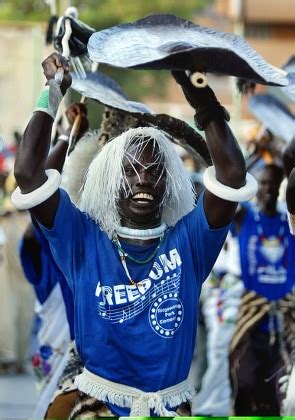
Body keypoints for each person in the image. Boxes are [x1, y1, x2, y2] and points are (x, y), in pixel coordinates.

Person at [12, 52, 256, 417]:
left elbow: (232, 175)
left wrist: (202, 99)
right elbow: (29, 175)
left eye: (155, 169)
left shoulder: (190, 241)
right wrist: (53, 90)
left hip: (169, 407)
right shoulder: (82, 237)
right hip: (97, 406)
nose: (144, 177)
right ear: (112, 181)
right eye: (131, 170)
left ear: (168, 183)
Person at [230, 164, 295, 416]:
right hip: (253, 317)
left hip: (286, 319)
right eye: (263, 183)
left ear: (280, 187)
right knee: (244, 382)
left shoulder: (288, 224)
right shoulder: (243, 218)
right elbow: (224, 188)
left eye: (273, 184)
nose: (267, 189)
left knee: (283, 394)